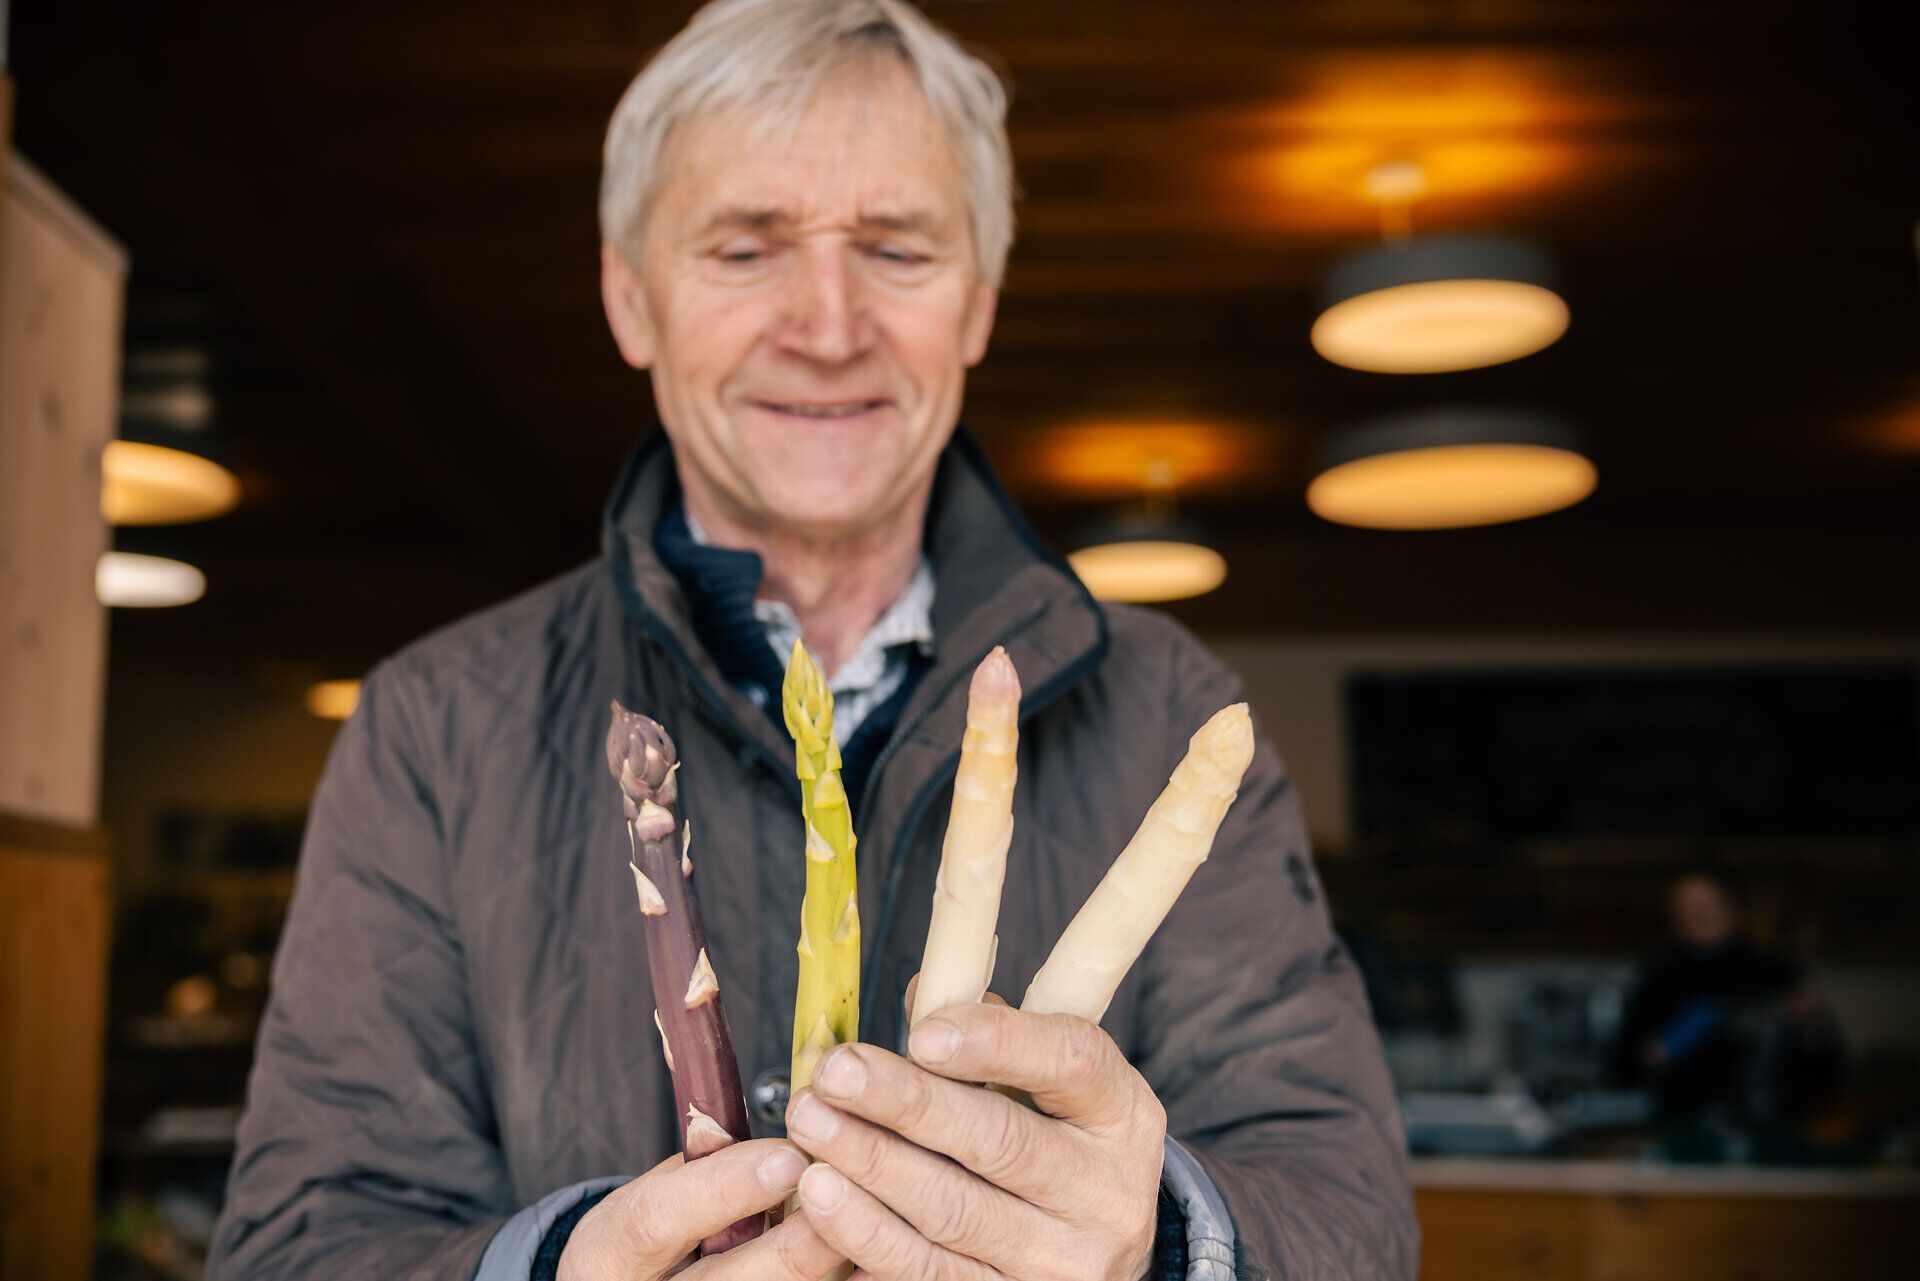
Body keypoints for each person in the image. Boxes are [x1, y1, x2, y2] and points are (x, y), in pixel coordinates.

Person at [207, 3, 1416, 1278]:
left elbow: (1348, 1210)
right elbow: (300, 1243)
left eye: (897, 250)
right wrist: (555, 1268)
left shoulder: (1175, 707)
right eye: (744, 249)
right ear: (631, 300)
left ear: (981, 308)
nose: (829, 325)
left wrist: (1160, 1245)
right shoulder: (431, 729)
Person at [1614, 870, 1841, 1130]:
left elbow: (1823, 1067)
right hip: (1682, 1125)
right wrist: (1649, 1056)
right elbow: (1625, 1063)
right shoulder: (1658, 977)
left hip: (1765, 1125)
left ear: (1733, 908)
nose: (1698, 915)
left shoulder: (1772, 972)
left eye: (1707, 905)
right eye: (1686, 908)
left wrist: (1811, 1028)